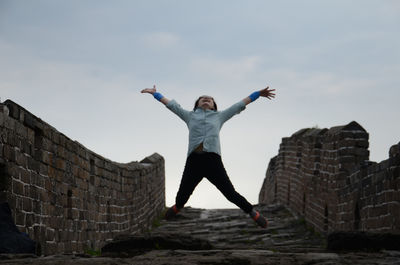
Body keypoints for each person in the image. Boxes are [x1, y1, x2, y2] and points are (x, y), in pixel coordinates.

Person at [141, 85, 276, 228]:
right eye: (203, 99)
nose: (206, 100)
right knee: (183, 194)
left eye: (210, 100)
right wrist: (155, 94)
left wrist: (257, 94)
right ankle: (177, 207)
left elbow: (239, 105)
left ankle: (252, 212)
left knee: (229, 193)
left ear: (214, 106)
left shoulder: (220, 116)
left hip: (213, 161)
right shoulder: (189, 116)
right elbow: (172, 106)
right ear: (197, 104)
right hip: (194, 161)